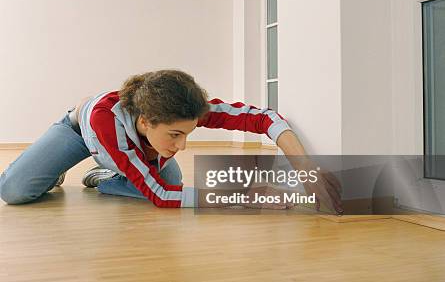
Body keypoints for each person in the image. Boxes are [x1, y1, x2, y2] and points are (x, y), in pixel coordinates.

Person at [0, 70, 343, 213]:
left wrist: (307, 172)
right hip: (79, 136)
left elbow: (266, 118)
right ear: (146, 121)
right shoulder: (106, 121)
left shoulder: (185, 109)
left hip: (125, 154)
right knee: (13, 192)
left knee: (172, 179)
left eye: (189, 133)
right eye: (175, 135)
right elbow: (163, 198)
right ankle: (54, 169)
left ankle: (107, 178)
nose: (183, 146)